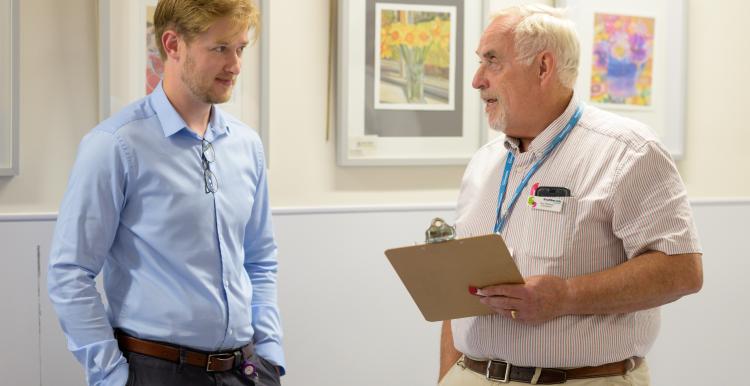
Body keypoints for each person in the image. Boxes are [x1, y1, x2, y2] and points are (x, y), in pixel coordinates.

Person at [439, 5, 703, 386]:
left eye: (492, 62)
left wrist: (565, 295)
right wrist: (448, 375)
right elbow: (457, 297)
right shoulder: (483, 163)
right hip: (471, 375)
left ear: (543, 67)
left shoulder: (627, 150)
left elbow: (682, 271)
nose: (477, 80)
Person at [47, 1, 283, 385]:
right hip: (156, 372)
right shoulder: (115, 145)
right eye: (220, 48)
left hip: (247, 371)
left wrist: (270, 353)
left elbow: (260, 259)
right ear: (173, 44)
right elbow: (69, 273)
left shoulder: (247, 145)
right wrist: (113, 378)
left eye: (240, 48)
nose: (235, 65)